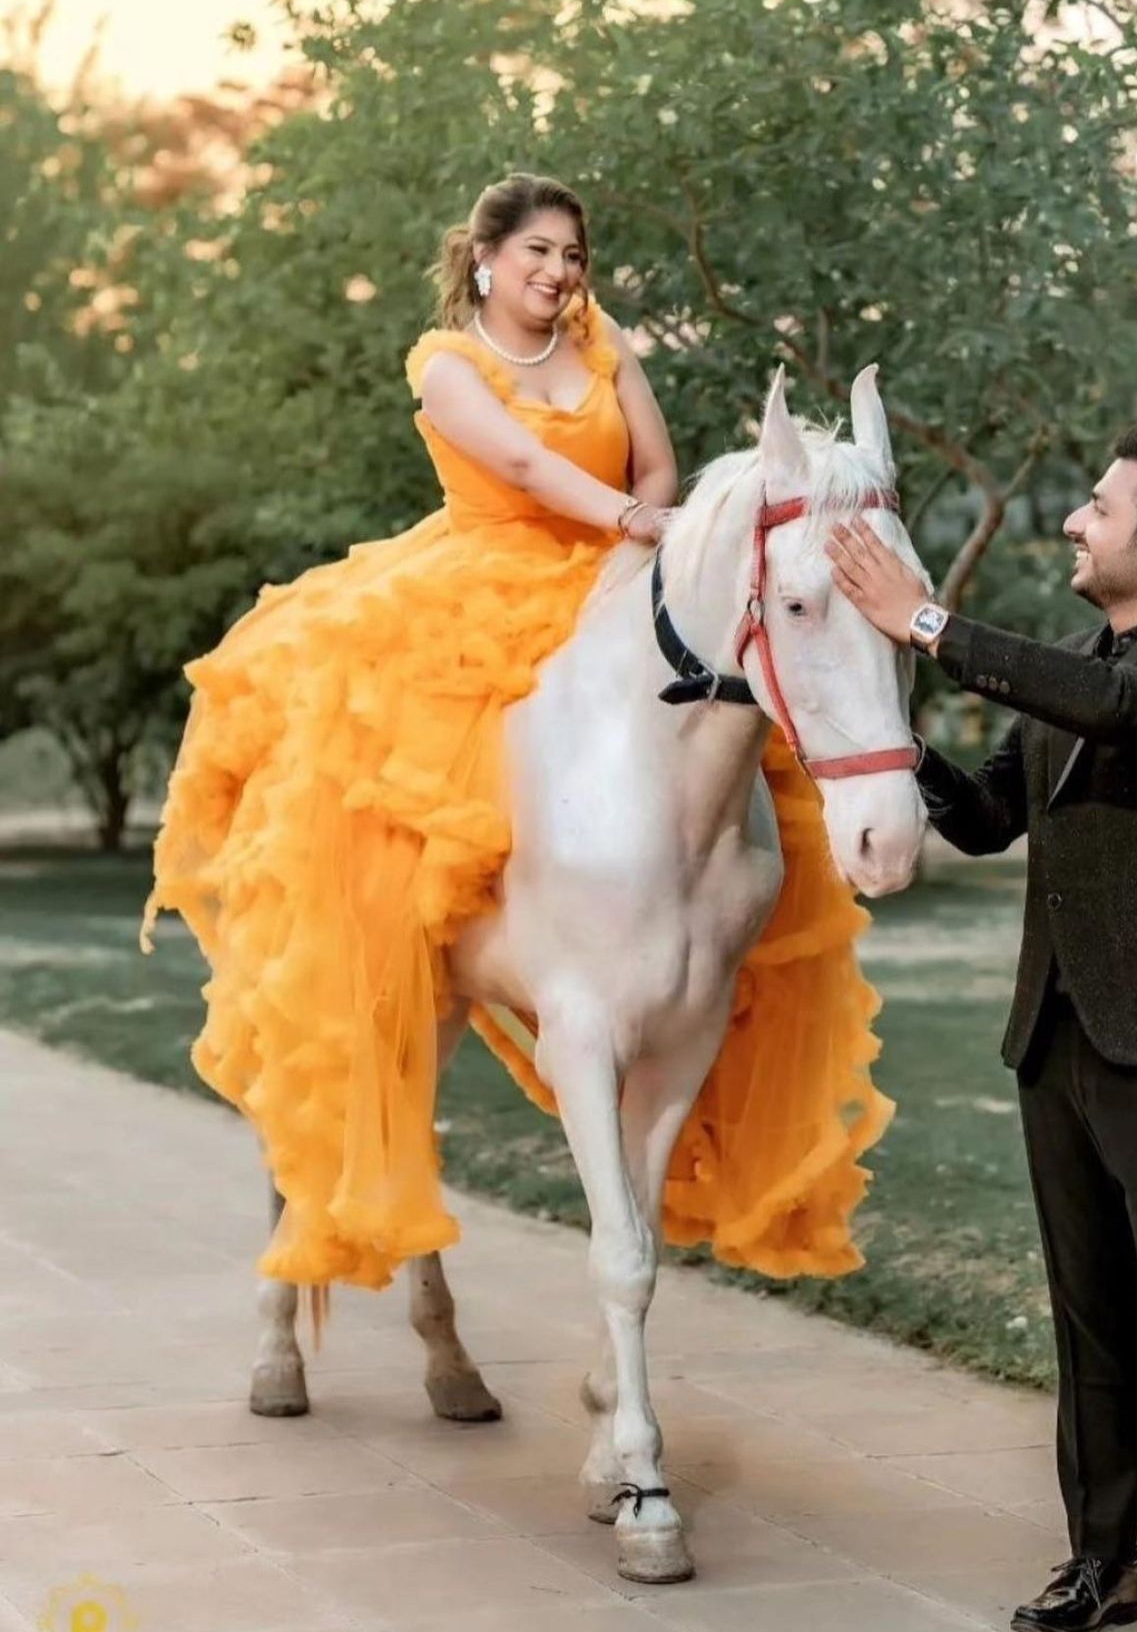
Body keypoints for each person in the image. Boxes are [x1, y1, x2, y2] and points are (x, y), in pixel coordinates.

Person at [142, 171, 891, 1295]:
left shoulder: (603, 343)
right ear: (487, 258)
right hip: (479, 584)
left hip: (618, 572)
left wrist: (641, 536)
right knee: (414, 770)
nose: (558, 272)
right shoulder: (447, 363)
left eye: (573, 254)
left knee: (732, 720)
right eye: (538, 251)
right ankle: (437, 928)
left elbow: (657, 463)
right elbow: (531, 468)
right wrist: (633, 518)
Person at [828, 426, 1137, 1632]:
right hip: (1060, 1038)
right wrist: (878, 736)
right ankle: (1103, 1562)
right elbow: (987, 819)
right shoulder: (1078, 663)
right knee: (1091, 1323)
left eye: (1098, 506)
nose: (1075, 523)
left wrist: (927, 622)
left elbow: (1126, 714)